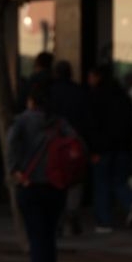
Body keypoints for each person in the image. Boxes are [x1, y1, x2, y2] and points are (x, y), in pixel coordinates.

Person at [7, 80, 77, 262]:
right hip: (55, 186)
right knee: (49, 237)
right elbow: (76, 145)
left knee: (37, 239)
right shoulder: (60, 123)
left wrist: (16, 171)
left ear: (31, 101)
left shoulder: (22, 121)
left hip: (31, 185)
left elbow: (11, 145)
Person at [84, 64, 132, 233]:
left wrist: (93, 149)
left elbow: (91, 126)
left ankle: (104, 221)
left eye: (91, 76)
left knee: (102, 184)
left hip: (102, 149)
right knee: (119, 181)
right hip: (123, 147)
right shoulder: (123, 97)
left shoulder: (95, 97)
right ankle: (130, 201)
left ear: (97, 77)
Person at [49, 60, 90, 236]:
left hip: (55, 143)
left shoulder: (50, 92)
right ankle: (71, 213)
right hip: (75, 142)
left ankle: (59, 218)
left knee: (56, 179)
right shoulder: (79, 92)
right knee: (75, 178)